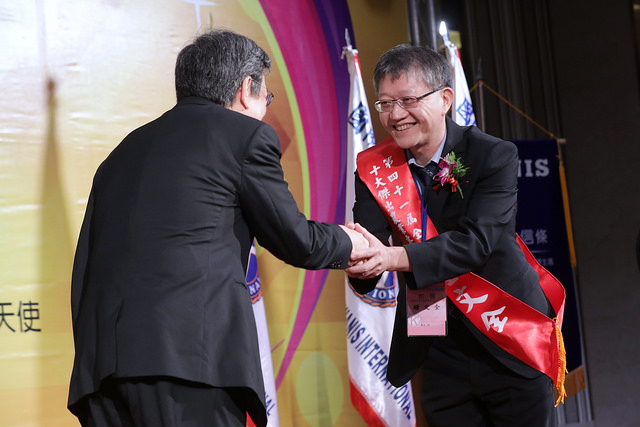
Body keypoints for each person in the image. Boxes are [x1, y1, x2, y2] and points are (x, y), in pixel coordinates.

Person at [67, 29, 367, 427]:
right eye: (266, 97)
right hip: (188, 362)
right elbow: (296, 239)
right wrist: (350, 241)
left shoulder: (119, 155)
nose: (265, 111)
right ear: (246, 89)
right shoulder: (244, 136)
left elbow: (85, 266)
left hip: (102, 371)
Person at [346, 44, 563, 427]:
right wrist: (356, 261)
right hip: (433, 340)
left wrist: (392, 257)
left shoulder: (492, 155)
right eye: (385, 104)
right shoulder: (375, 168)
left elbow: (478, 243)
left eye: (408, 100)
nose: (396, 115)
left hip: (506, 331)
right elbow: (369, 254)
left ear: (445, 98)